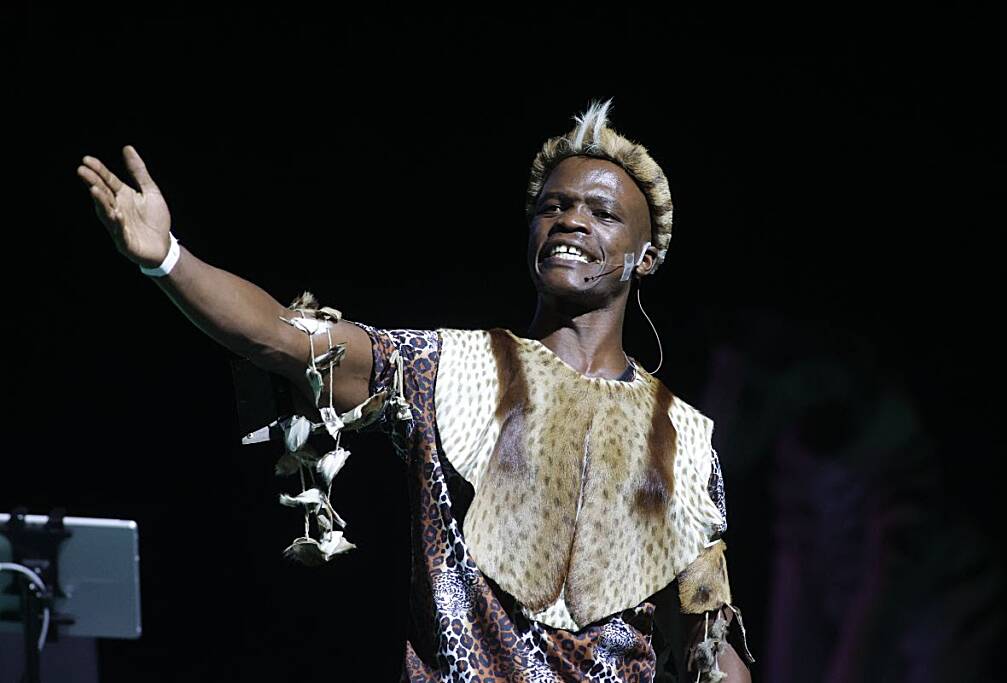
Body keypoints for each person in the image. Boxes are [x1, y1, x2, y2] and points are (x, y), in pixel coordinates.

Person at [77, 99, 754, 682]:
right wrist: (168, 259)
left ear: (646, 256)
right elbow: (283, 338)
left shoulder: (684, 439)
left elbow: (708, 640)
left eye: (602, 212)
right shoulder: (449, 367)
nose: (571, 220)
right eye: (554, 206)